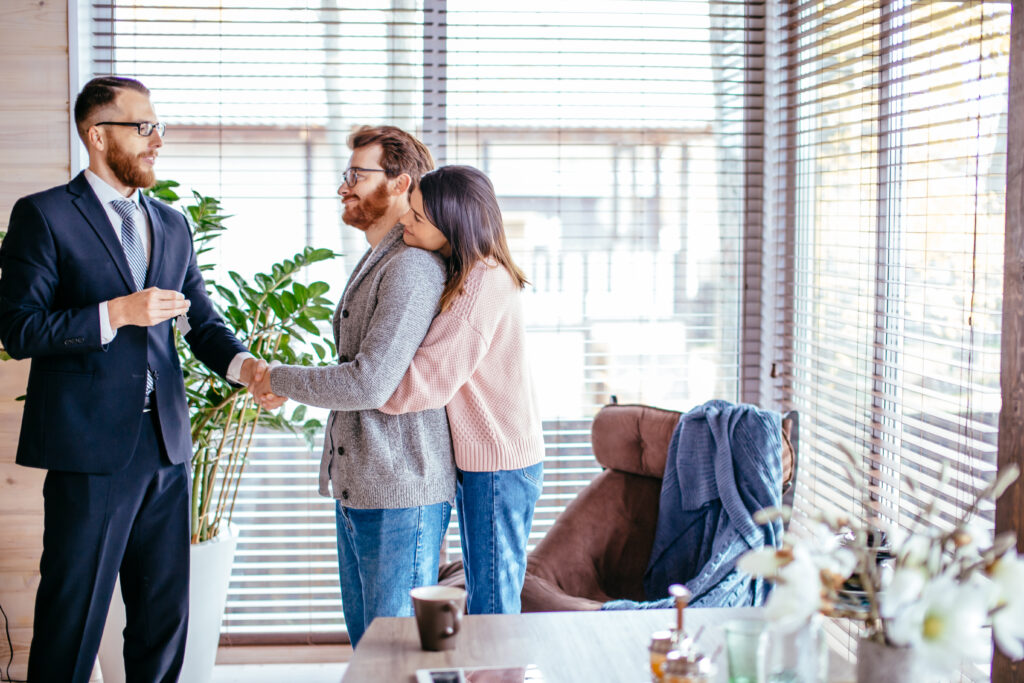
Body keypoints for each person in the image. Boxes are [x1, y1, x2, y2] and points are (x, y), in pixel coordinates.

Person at [0, 76, 274, 682]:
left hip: (167, 449)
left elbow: (203, 322)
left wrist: (247, 368)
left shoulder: (172, 224)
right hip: (89, 454)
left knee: (163, 621)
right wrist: (115, 313)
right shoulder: (43, 215)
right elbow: (19, 329)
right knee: (72, 623)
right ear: (98, 136)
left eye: (158, 127)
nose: (156, 141)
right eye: (142, 127)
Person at [250, 125, 455, 647]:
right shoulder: (379, 258)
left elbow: (369, 382)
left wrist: (277, 378)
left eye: (356, 176)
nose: (344, 186)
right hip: (367, 485)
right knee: (371, 649)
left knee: (394, 656)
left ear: (399, 183)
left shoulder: (409, 266)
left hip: (400, 489)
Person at [379, 165, 545, 615]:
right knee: (490, 596)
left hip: (499, 466)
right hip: (500, 462)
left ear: (452, 226)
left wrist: (367, 392)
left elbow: (428, 381)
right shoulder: (478, 271)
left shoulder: (480, 287)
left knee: (492, 605)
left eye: (416, 217)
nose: (403, 222)